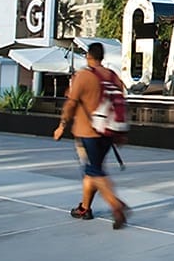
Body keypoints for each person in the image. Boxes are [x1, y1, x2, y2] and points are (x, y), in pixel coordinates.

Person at [53, 42, 129, 229]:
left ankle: (116, 205)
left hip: (87, 132)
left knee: (94, 171)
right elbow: (121, 102)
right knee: (92, 169)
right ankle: (85, 208)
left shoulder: (83, 76)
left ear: (88, 56)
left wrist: (61, 126)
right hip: (108, 132)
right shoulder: (113, 76)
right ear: (102, 56)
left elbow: (71, 104)